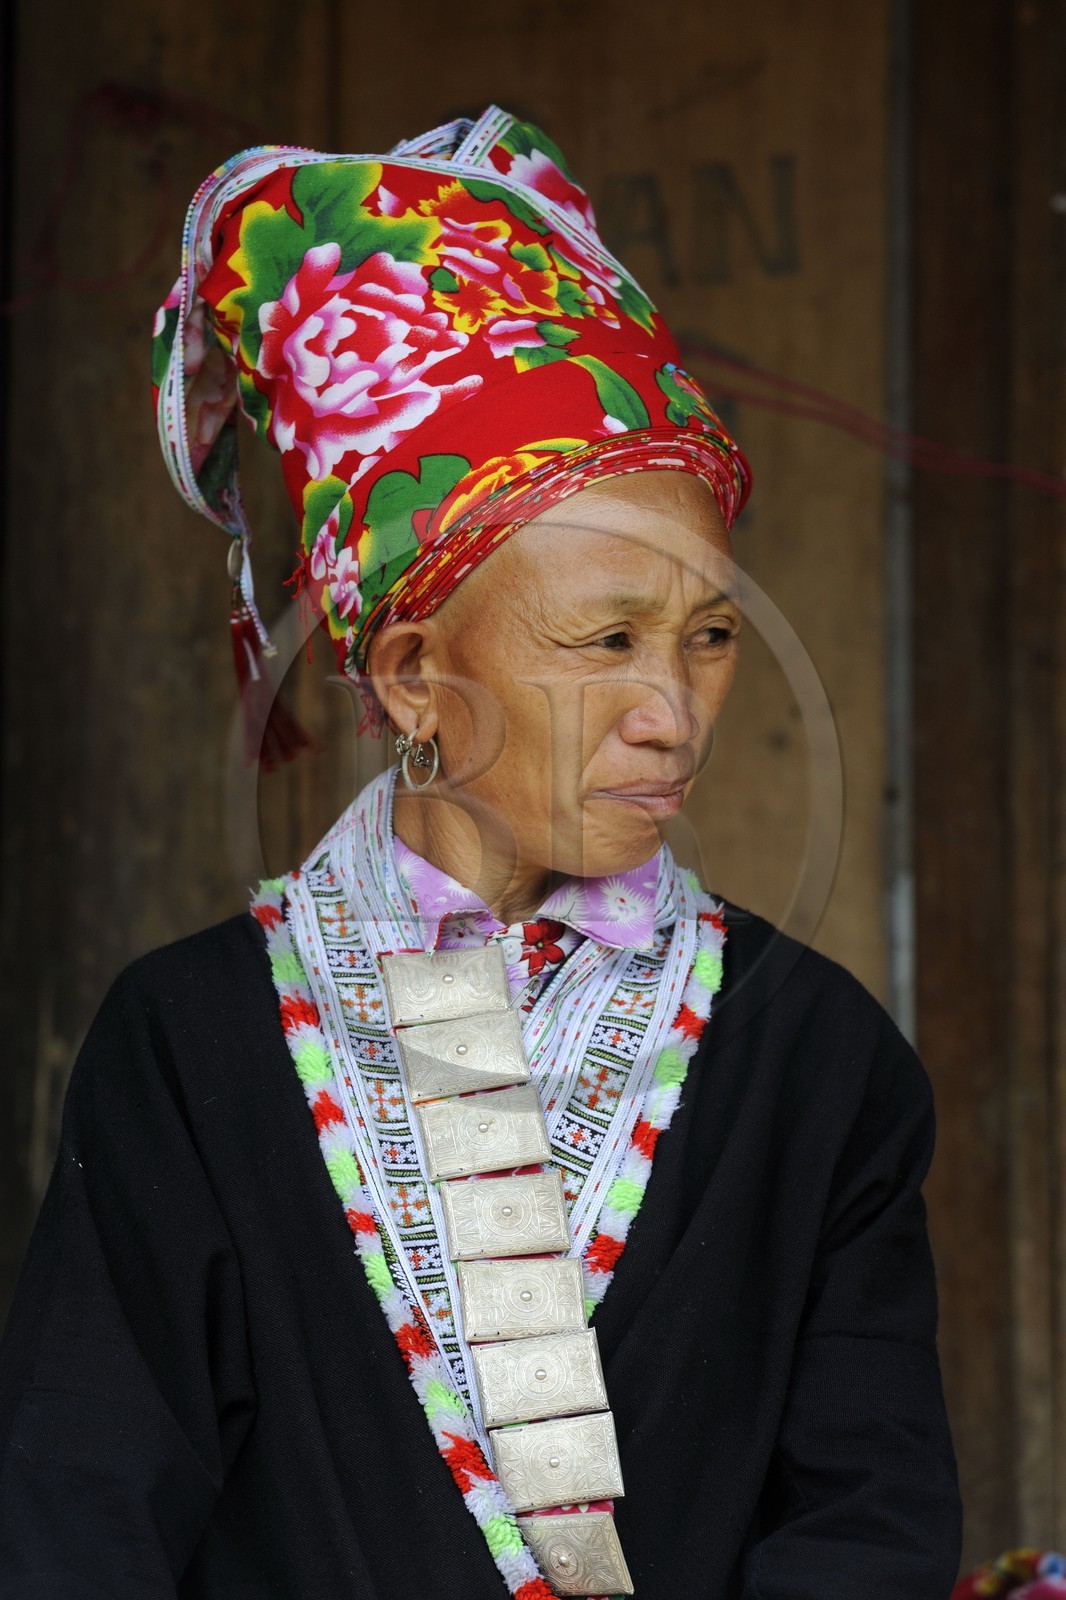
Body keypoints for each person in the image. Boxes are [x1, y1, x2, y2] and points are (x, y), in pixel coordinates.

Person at [0, 105, 963, 1599]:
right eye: (603, 642)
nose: (672, 712)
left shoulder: (816, 1062)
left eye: (708, 639)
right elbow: (82, 1518)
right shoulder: (192, 1048)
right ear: (406, 677)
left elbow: (865, 1530)